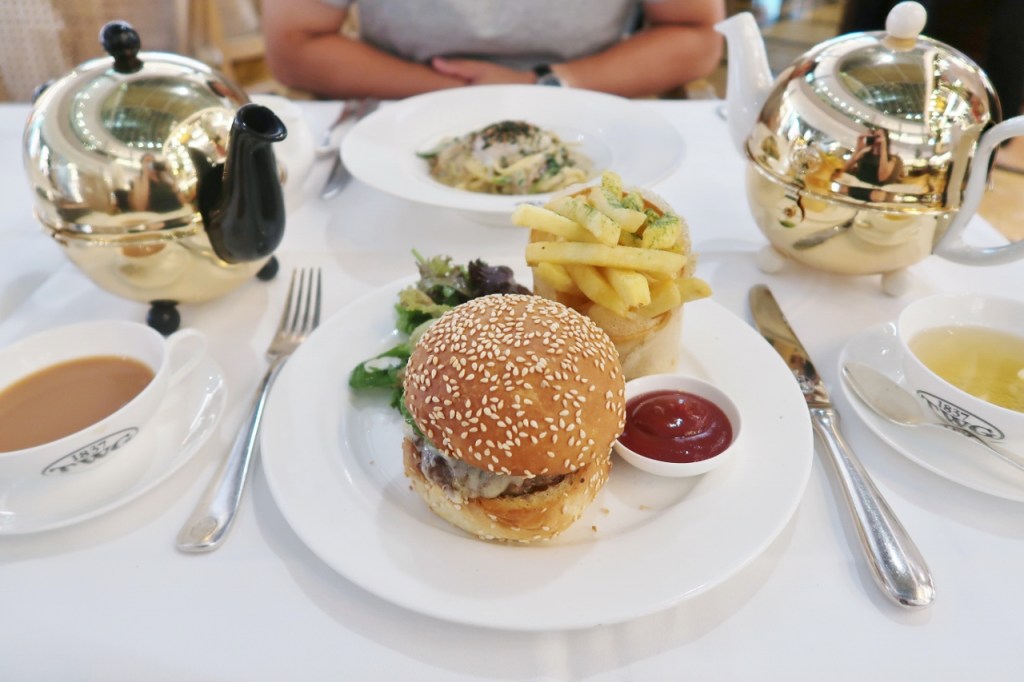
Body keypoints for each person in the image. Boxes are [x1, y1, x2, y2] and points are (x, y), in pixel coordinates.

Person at [261, 0, 725, 100]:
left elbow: (697, 34)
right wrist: (452, 91)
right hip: (397, 102)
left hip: (592, 99)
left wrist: (539, 83)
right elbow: (293, 46)